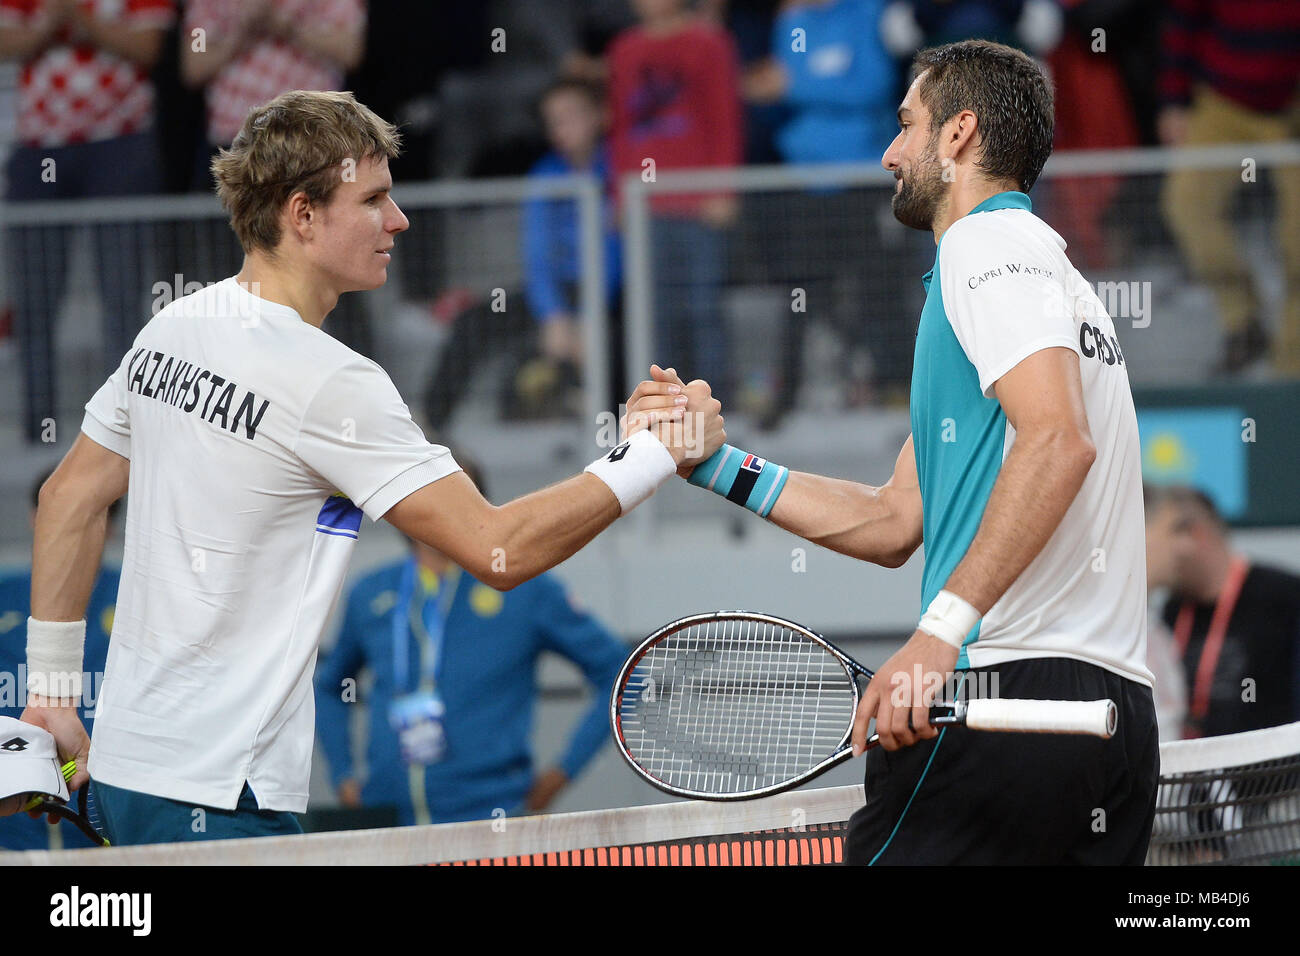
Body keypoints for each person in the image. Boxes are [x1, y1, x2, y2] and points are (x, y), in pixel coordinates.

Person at [10, 89, 724, 847]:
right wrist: (655, 452)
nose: (399, 220)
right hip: (222, 798)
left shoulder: (174, 326)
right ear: (302, 214)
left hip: (126, 774)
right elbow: (499, 549)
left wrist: (53, 693)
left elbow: (67, 498)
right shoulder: (329, 379)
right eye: (374, 198)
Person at [628, 39, 1158, 865]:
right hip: (1110, 721)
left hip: (998, 698)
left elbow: (1061, 444)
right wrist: (716, 465)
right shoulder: (1055, 282)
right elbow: (893, 519)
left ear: (959, 136)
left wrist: (939, 634)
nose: (888, 152)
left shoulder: (987, 251)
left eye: (906, 125)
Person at [315, 455, 626, 826]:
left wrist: (562, 773)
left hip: (490, 820)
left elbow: (621, 673)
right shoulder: (371, 592)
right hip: (388, 822)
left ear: (480, 504)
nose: (436, 508)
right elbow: (330, 685)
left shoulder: (523, 587)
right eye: (423, 493)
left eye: (452, 493)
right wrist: (343, 775)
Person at [0, 0, 175, 445]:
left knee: (122, 300)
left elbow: (150, 46)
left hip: (121, 144)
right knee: (35, 305)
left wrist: (72, 16)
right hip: (39, 148)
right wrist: (80, 23)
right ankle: (38, 438)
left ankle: (123, 439)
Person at [422, 77, 624, 430]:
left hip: (614, 294)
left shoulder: (625, 169)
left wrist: (588, 313)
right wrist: (554, 314)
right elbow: (538, 253)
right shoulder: (544, 174)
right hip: (555, 291)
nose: (560, 128)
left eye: (570, 116)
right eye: (552, 120)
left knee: (622, 339)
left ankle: (623, 440)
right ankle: (429, 426)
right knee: (473, 323)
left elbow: (621, 252)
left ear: (601, 116)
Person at [607, 0, 744, 399]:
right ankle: (662, 408)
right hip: (644, 205)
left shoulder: (709, 43)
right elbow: (619, 127)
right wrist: (618, 194)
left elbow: (724, 115)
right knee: (653, 313)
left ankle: (718, 406)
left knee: (704, 308)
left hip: (697, 203)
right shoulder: (624, 48)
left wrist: (722, 187)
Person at [1157, 0, 1300, 377]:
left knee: (1298, 241)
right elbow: (1183, 23)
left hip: (1292, 108)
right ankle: (1244, 323)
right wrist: (1174, 100)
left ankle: (1292, 370)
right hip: (1223, 104)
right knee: (1187, 206)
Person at [0, 470, 118, 850]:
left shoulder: (134, 597)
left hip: (102, 802)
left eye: (90, 516)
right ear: (37, 518)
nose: (71, 528)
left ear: (109, 525)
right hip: (14, 808)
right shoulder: (5, 594)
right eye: (56, 513)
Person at [1144, 484, 1300, 739]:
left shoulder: (1285, 598)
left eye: (1164, 533)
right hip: (1188, 770)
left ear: (1195, 534)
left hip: (1271, 774)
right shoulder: (1170, 612)